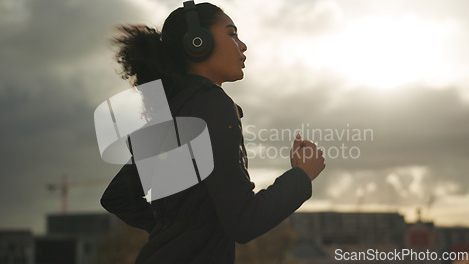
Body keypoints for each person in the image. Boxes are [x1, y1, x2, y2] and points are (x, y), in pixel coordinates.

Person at [100, 2, 326, 263]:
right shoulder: (213, 106)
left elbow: (118, 198)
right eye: (231, 34)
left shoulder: (172, 110)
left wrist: (175, 232)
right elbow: (244, 222)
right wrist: (301, 175)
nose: (242, 46)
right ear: (198, 42)